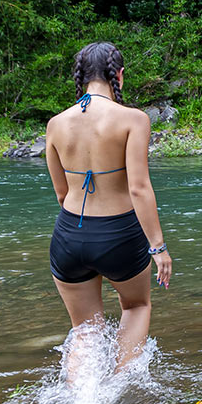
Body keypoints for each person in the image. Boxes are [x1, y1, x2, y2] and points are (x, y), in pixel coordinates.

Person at [45, 41, 172, 379]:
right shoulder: (133, 119)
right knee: (136, 306)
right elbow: (139, 188)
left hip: (69, 235)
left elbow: (61, 192)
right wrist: (158, 248)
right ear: (119, 75)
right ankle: (117, 397)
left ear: (80, 77)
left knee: (85, 329)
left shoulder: (56, 124)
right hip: (118, 234)